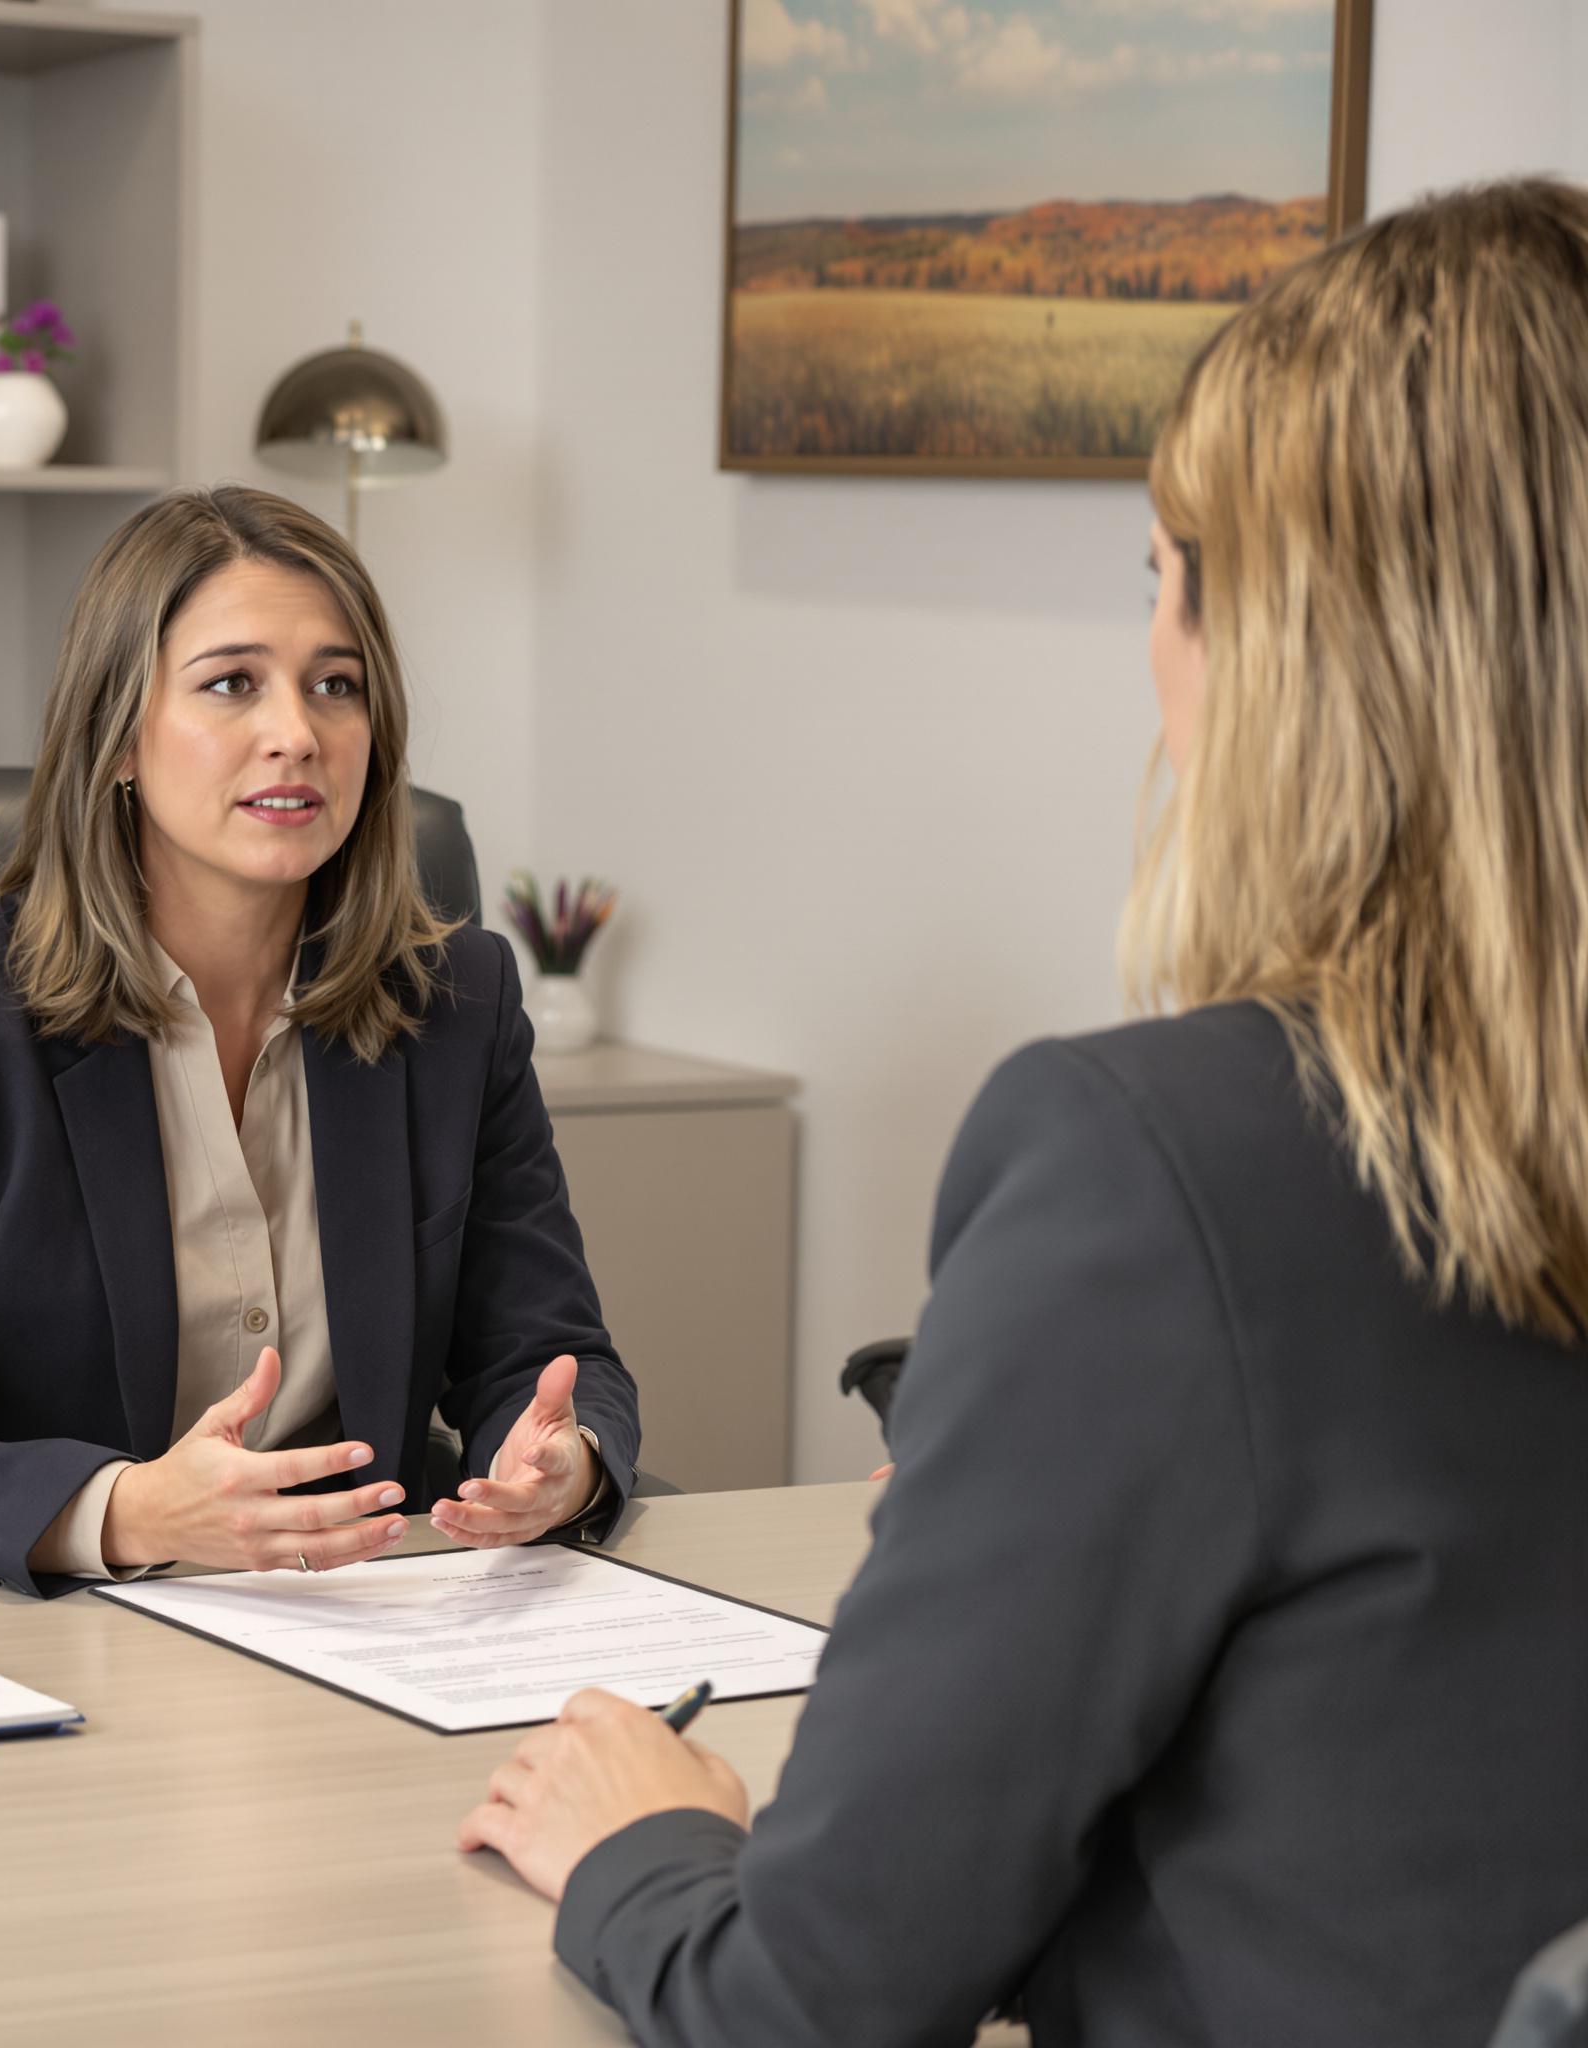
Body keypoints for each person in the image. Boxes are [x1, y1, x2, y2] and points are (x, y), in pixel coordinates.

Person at [458, 179, 1588, 2046]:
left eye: (1158, 577)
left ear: (1294, 653)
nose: (1148, 651)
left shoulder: (1159, 1163)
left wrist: (643, 1846)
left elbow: (811, 2001)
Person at [0, 485, 638, 1597]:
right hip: (50, 1630)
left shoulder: (456, 1002)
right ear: (118, 739)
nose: (295, 732)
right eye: (231, 683)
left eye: (334, 686)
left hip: (361, 1624)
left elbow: (546, 1353)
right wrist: (132, 1509)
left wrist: (558, 1465)